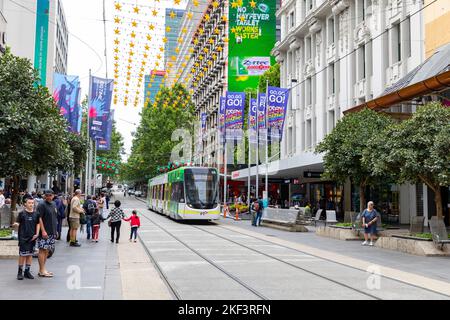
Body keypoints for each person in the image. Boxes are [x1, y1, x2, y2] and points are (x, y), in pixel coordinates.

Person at [12, 197, 40, 280]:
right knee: (23, 255)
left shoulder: (36, 214)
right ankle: (20, 272)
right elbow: (17, 222)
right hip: (23, 237)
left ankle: (27, 271)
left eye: (32, 203)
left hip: (32, 237)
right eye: (29, 203)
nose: (31, 204)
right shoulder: (22, 213)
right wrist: (16, 224)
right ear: (25, 204)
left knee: (30, 254)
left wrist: (37, 233)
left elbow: (38, 223)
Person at [36, 190, 58, 277]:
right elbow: (39, 218)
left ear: (53, 195)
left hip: (51, 231)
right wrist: (43, 230)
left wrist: (55, 230)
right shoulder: (41, 205)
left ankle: (43, 269)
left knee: (47, 251)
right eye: (47, 195)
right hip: (44, 232)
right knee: (42, 250)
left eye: (50, 195)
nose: (49, 197)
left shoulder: (53, 204)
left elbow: (54, 218)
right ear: (44, 196)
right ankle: (41, 270)